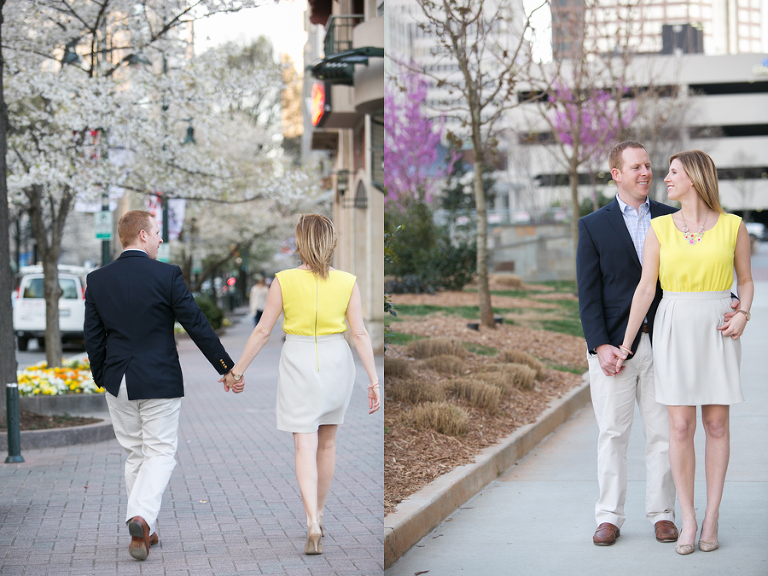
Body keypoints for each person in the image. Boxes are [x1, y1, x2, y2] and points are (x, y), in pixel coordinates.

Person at [84, 210, 242, 562]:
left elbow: (93, 339)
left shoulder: (97, 279)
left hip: (118, 380)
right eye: (156, 233)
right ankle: (139, 517)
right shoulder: (166, 275)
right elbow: (196, 324)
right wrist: (226, 367)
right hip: (159, 379)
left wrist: (103, 379)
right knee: (160, 452)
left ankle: (147, 531)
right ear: (142, 235)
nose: (159, 239)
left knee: (136, 453)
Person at [616, 150, 752, 555]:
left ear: (693, 177)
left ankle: (711, 517)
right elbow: (645, 289)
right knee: (679, 428)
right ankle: (687, 518)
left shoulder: (733, 226)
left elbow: (745, 281)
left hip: (717, 328)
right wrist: (626, 344)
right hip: (674, 324)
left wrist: (743, 313)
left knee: (716, 426)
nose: (665, 179)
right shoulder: (659, 228)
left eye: (673, 172)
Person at [221, 214, 381, 555]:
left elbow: (263, 331)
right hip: (338, 361)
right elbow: (360, 333)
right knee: (328, 445)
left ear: (300, 242)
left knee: (303, 447)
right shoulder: (348, 281)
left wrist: (236, 371)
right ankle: (321, 514)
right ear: (331, 242)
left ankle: (310, 521)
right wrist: (374, 379)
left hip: (298, 361)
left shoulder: (283, 281)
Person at [577, 141, 680, 546]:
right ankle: (609, 517)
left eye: (648, 165)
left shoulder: (672, 219)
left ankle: (662, 514)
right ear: (615, 173)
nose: (646, 173)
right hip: (614, 351)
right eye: (635, 166)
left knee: (663, 434)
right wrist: (599, 344)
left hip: (665, 345)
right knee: (613, 435)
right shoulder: (593, 225)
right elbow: (588, 293)